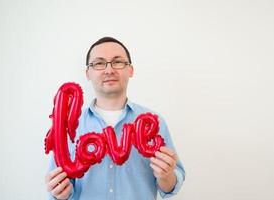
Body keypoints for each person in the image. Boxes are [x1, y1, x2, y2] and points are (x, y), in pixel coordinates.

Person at [45, 37, 185, 200]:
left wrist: (166, 177)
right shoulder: (68, 128)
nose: (109, 70)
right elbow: (56, 188)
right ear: (88, 73)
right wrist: (58, 193)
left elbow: (173, 183)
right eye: (99, 63)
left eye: (118, 62)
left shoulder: (155, 123)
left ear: (130, 70)